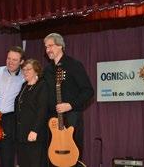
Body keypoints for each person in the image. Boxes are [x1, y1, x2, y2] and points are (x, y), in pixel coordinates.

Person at [43, 33, 94, 167]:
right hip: (52, 121)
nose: (48, 49)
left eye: (50, 46)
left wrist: (70, 105)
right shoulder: (47, 70)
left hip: (72, 118)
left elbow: (88, 91)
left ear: (60, 46)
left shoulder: (74, 65)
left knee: (72, 160)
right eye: (46, 47)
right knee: (53, 161)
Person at [15, 59, 48, 167]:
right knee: (23, 163)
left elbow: (42, 110)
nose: (25, 72)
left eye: (28, 69)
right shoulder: (24, 85)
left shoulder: (42, 85)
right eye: (23, 69)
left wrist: (35, 130)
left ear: (36, 71)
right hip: (21, 133)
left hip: (35, 134)